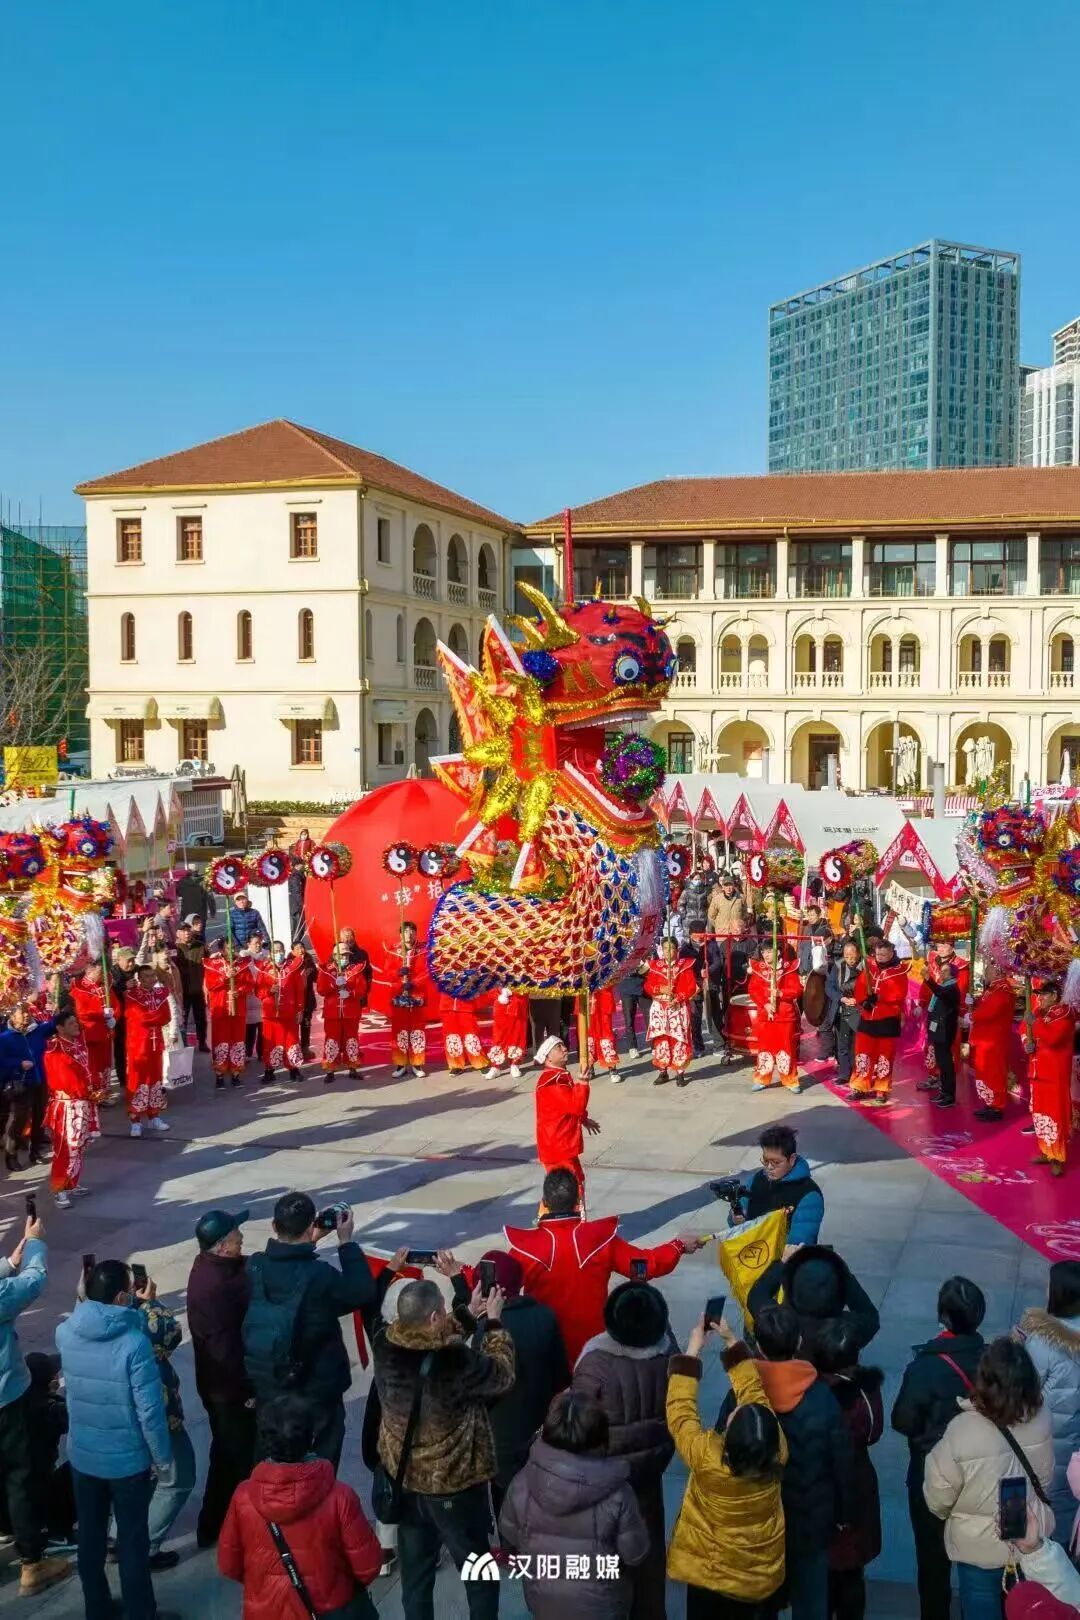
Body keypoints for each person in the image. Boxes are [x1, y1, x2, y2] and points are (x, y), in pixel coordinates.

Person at [374, 1277, 514, 1620]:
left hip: (406, 1481)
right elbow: (502, 1375)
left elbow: (425, 1337)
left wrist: (466, 1314)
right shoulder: (454, 1362)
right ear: (436, 1316)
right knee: (479, 1575)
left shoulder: (383, 1343)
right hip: (453, 1487)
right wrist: (493, 1323)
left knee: (416, 1579)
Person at [722, 1303, 857, 1620]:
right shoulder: (821, 1397)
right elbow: (842, 1461)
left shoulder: (741, 1394)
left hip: (758, 1519)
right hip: (811, 1520)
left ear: (759, 1346)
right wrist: (844, 1513)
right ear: (799, 1341)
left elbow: (722, 1450)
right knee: (811, 1602)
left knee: (760, 1605)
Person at [56, 1259, 173, 1620]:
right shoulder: (134, 1343)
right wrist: (162, 1459)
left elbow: (87, 1314)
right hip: (126, 1462)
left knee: (90, 1538)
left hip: (84, 1457)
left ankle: (98, 1609)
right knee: (132, 1542)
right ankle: (141, 1612)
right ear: (123, 1297)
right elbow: (149, 1412)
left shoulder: (65, 1332)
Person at [505, 1166, 706, 1365]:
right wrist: (677, 1246)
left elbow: (496, 1289)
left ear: (544, 1203)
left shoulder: (524, 1248)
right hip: (593, 1355)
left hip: (544, 1354)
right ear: (578, 1202)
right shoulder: (600, 1240)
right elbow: (644, 1267)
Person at [666, 1312, 786, 1620]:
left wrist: (692, 1351)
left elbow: (681, 1414)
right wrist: (733, 1342)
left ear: (729, 1441)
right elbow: (754, 1393)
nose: (734, 1410)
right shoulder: (777, 1449)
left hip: (708, 1572)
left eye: (733, 1418)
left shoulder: (708, 1458)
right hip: (758, 1577)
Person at [219, 1393, 381, 1620]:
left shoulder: (243, 1496)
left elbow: (228, 1564)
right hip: (331, 1610)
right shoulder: (340, 1497)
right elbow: (368, 1566)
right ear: (311, 1438)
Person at [924, 1337, 1054, 1619]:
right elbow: (1045, 1478)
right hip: (1029, 1538)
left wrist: (953, 1515)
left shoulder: (962, 1428)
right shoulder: (1042, 1416)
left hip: (978, 1551)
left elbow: (938, 1496)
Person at [243, 1192, 376, 1470]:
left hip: (270, 1384)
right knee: (320, 1465)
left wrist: (307, 1240)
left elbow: (285, 1265)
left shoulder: (254, 1266)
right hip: (316, 1391)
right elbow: (361, 1292)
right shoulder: (320, 1275)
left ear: (274, 1226)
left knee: (269, 1460)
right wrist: (346, 1243)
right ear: (309, 1226)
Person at [499, 1390, 649, 1620]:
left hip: (543, 1603)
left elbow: (510, 1543)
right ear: (600, 1436)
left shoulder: (521, 1483)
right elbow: (635, 1554)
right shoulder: (619, 1494)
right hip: (603, 1606)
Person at [572, 1281, 674, 1620]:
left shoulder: (595, 1363)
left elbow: (576, 1427)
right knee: (649, 1559)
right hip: (649, 1474)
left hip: (604, 1482)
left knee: (608, 1565)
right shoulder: (670, 1356)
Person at [442, 1248, 569, 1516]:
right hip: (541, 1427)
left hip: (500, 1438)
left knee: (506, 1505)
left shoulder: (484, 1330)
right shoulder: (546, 1316)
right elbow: (561, 1377)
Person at [891, 1275, 987, 1620]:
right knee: (981, 1565)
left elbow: (902, 1419)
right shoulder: (993, 1361)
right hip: (981, 1473)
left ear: (942, 1315)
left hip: (932, 1473)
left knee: (932, 1562)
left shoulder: (925, 1367)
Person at [0, 1212, 71, 1595]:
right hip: (6, 1399)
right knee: (20, 1477)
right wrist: (37, 1244)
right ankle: (32, 1562)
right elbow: (33, 1282)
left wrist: (7, 1264)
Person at [187, 1207, 255, 1547]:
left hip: (217, 1386)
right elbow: (226, 1352)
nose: (241, 1237)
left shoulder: (210, 1265)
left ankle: (215, 1525)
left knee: (227, 1454)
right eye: (235, 1235)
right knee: (235, 1460)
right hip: (228, 1391)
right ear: (223, 1245)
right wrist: (247, 1391)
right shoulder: (219, 1285)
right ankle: (218, 1527)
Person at [811, 1318, 884, 1620]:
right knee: (852, 1573)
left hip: (817, 1487)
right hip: (856, 1482)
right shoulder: (865, 1391)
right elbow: (874, 1432)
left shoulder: (810, 1390)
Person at [1016, 1261, 1080, 1546]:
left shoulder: (1043, 1342)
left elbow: (1025, 1392)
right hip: (1075, 1447)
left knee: (1039, 1513)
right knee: (1067, 1512)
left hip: (1049, 1442)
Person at [135, 1271, 195, 1567]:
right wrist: (151, 1304)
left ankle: (117, 1536)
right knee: (178, 1477)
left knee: (137, 1479)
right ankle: (144, 1547)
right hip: (158, 1421)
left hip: (117, 1423)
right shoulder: (145, 1346)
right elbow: (168, 1332)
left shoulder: (85, 1328)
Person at [747, 1245, 880, 1367]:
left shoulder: (777, 1324)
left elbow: (757, 1295)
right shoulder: (843, 1329)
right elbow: (870, 1317)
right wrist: (844, 1274)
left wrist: (783, 1263)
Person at [727, 1125, 825, 1249]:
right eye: (765, 1161)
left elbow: (799, 1242)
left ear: (792, 1159)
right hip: (750, 1255)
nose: (769, 1167)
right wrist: (735, 1220)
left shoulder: (809, 1195)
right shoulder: (756, 1179)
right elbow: (735, 1221)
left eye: (776, 1162)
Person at [533, 1034, 600, 1199]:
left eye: (563, 1045)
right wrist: (583, 1084)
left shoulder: (557, 1076)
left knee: (572, 1185)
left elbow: (567, 1106)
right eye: (558, 1047)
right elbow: (575, 1106)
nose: (564, 1049)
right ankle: (568, 1214)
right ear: (548, 1057)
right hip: (558, 1146)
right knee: (567, 1191)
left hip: (561, 1144)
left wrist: (583, 1119)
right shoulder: (552, 1081)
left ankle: (568, 1213)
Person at [22, 1350, 76, 1550]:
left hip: (15, 1483)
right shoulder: (50, 1408)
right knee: (80, 1469)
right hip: (35, 1482)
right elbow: (74, 1420)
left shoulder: (17, 1402)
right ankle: (58, 1532)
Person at [43, 1008, 97, 1209]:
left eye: (76, 1022)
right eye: (71, 1023)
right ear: (60, 1028)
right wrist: (87, 1091)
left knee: (79, 1146)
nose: (76, 1026)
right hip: (66, 1107)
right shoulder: (55, 1050)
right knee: (65, 1148)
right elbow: (63, 1080)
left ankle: (72, 1182)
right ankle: (60, 1190)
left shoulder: (77, 1044)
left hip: (83, 1102)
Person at [1024, 978, 1077, 1178]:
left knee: (1056, 1115)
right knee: (1040, 1114)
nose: (1040, 999)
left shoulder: (1065, 1013)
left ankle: (1058, 1158)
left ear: (1055, 996)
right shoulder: (1040, 1012)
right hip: (1038, 1070)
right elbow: (1024, 1030)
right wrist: (1027, 1043)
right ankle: (1047, 1151)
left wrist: (1034, 1023)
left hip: (1054, 1074)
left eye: (1044, 995)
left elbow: (1053, 1039)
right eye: (1038, 995)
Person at [848, 936, 909, 1105]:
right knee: (862, 1054)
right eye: (878, 954)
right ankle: (860, 1086)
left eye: (883, 954)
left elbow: (899, 993)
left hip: (887, 1020)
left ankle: (881, 1089)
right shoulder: (870, 967)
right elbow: (860, 987)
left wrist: (880, 997)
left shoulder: (899, 971)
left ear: (891, 953)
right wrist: (863, 1001)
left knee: (885, 1056)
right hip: (868, 1018)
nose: (880, 957)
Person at [0, 1003, 55, 1168]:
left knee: (40, 1117)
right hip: (20, 1084)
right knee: (19, 1120)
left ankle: (35, 1151)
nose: (26, 1016)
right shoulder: (5, 1038)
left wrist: (55, 1009)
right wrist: (18, 1064)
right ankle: (11, 1155)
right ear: (12, 1017)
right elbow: (2, 1061)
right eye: (21, 1013)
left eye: (27, 1012)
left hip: (40, 1080)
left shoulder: (39, 1030)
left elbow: (55, 1024)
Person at [123, 962, 173, 1136]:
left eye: (153, 976)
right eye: (147, 976)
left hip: (155, 1043)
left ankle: (154, 1116)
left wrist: (153, 1015)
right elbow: (140, 1017)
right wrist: (156, 1015)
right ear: (140, 979)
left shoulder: (160, 993)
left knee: (155, 1079)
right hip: (138, 1044)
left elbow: (166, 1016)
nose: (151, 979)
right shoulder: (132, 995)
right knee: (137, 1080)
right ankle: (135, 1120)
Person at [747, 941, 803, 1093]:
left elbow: (797, 989)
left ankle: (790, 1079)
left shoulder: (789, 968)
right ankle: (762, 1078)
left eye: (769, 951)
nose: (765, 955)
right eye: (763, 952)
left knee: (786, 1047)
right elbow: (753, 990)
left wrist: (781, 993)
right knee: (764, 1048)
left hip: (785, 1015)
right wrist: (764, 1004)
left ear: (777, 952)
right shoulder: (759, 969)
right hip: (765, 1015)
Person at [643, 935, 698, 1086]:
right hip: (660, 1008)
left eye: (672, 948)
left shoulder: (685, 965)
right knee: (661, 1039)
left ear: (677, 950)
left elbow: (691, 986)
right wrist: (660, 988)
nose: (668, 951)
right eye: (666, 948)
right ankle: (663, 1071)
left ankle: (680, 1072)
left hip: (678, 1007)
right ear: (661, 950)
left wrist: (678, 998)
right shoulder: (655, 966)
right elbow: (647, 986)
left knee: (679, 1039)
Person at [918, 943, 970, 1098]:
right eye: (938, 945)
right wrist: (921, 1003)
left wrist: (962, 1013)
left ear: (952, 947)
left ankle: (946, 1085)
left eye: (944, 945)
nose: (940, 949)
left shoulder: (960, 967)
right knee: (932, 1047)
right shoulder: (933, 961)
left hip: (948, 1017)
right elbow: (927, 988)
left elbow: (960, 991)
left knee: (947, 1052)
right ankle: (934, 1076)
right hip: (935, 1013)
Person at [966, 965, 1016, 1122]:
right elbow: (985, 1005)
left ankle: (997, 1106)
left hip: (994, 1039)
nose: (986, 973)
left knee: (994, 1073)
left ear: (997, 972)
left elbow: (991, 1010)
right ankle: (990, 1102)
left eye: (988, 971)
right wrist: (973, 1002)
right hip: (985, 1038)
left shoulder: (1003, 990)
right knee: (985, 1072)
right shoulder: (994, 988)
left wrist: (972, 1016)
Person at [203, 942, 252, 1087]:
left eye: (234, 948)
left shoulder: (242, 964)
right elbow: (210, 985)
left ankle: (236, 1073)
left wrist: (240, 991)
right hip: (220, 1009)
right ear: (221, 949)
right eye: (228, 948)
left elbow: (250, 984)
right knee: (221, 1041)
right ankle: (219, 1075)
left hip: (238, 1009)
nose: (232, 951)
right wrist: (225, 976)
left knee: (238, 1040)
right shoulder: (212, 964)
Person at [255, 941, 305, 1083]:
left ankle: (294, 1069)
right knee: (271, 1043)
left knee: (291, 1041)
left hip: (289, 1011)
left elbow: (299, 989)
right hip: (270, 1013)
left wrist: (300, 1009)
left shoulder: (292, 967)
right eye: (276, 951)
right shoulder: (264, 969)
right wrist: (269, 991)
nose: (279, 953)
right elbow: (258, 991)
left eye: (281, 950)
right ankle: (269, 1070)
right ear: (271, 953)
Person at [385, 921, 430, 1077]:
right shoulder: (393, 951)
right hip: (399, 995)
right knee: (400, 1030)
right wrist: (398, 974)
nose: (409, 934)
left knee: (417, 1030)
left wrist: (414, 983)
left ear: (416, 933)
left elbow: (427, 972)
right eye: (405, 932)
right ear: (400, 935)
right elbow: (387, 973)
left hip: (417, 995)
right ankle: (401, 1064)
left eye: (412, 931)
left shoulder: (424, 950)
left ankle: (417, 1064)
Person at [69, 964, 121, 1095]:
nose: (103, 975)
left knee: (106, 1063)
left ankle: (105, 1092)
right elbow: (82, 1013)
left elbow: (115, 1005)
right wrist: (102, 1014)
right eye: (100, 972)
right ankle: (95, 1094)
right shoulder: (81, 988)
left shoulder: (103, 985)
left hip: (106, 1031)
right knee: (93, 1065)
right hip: (91, 1033)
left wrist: (114, 1017)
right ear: (89, 971)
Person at [173, 921, 209, 1052]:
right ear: (178, 933)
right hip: (183, 990)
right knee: (182, 1019)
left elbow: (208, 963)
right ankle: (183, 1044)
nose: (186, 933)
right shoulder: (174, 948)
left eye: (188, 930)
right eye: (183, 931)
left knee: (201, 1018)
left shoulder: (200, 946)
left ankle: (202, 1042)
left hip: (198, 989)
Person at [832, 939, 863, 1087]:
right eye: (846, 955)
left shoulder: (865, 968)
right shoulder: (838, 966)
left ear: (858, 954)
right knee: (842, 1043)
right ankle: (844, 1074)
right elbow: (829, 988)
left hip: (859, 1010)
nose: (849, 958)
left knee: (857, 1044)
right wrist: (842, 998)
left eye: (852, 955)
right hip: (842, 1008)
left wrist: (858, 999)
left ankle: (858, 1073)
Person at [438, 990, 487, 1076]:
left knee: (471, 1035)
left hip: (466, 1005)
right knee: (452, 1037)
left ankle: (480, 1063)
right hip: (447, 1005)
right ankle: (456, 1065)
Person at [485, 988, 529, 1079]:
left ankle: (515, 1064)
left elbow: (529, 986)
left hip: (518, 1006)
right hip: (500, 1006)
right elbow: (489, 986)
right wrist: (499, 994)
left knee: (517, 1035)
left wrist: (513, 992)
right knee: (499, 1037)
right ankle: (495, 1066)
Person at [586, 983, 622, 1078]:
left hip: (603, 997)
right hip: (586, 998)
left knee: (606, 1033)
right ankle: (589, 1066)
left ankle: (612, 1066)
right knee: (588, 1033)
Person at [618, 961, 652, 1060]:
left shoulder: (642, 952)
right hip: (626, 987)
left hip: (642, 986)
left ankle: (654, 1045)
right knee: (629, 1020)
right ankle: (632, 1047)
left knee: (650, 1017)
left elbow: (648, 967)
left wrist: (643, 965)